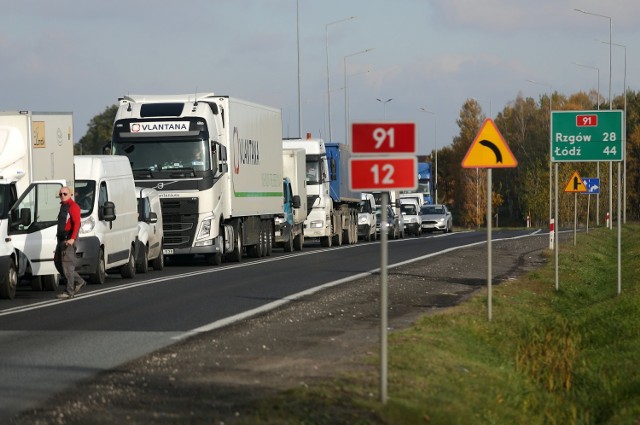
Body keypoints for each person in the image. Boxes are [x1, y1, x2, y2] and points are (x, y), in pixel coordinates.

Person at [55, 186, 87, 299]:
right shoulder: (64, 206)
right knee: (58, 263)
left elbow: (77, 223)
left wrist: (72, 239)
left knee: (67, 265)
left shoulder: (73, 206)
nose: (62, 196)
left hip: (69, 239)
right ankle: (79, 281)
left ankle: (69, 291)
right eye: (60, 194)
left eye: (65, 194)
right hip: (61, 239)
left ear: (70, 194)